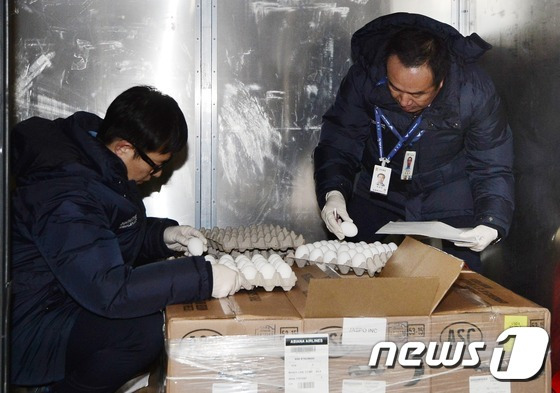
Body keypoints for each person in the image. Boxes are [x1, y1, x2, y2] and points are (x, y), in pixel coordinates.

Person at [10, 86, 242, 392]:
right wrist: (202, 277)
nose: (157, 175)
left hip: (65, 300)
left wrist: (162, 236)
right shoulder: (65, 194)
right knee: (143, 332)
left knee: (148, 307)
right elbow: (109, 289)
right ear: (124, 148)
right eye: (156, 165)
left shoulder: (98, 162)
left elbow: (101, 236)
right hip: (32, 324)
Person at [314, 13, 514, 271]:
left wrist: (491, 222)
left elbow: (492, 164)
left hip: (448, 189)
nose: (405, 101)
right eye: (395, 88)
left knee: (467, 278)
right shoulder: (365, 78)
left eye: (418, 94)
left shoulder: (472, 92)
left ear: (440, 83)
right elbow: (341, 138)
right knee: (343, 262)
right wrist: (334, 192)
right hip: (380, 188)